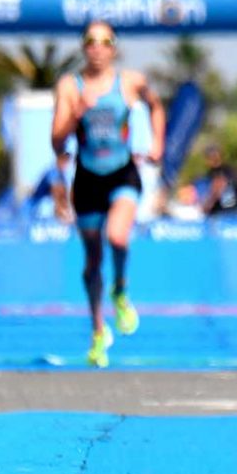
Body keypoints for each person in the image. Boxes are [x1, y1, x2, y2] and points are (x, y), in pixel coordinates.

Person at [50, 21, 165, 368]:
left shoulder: (130, 82)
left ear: (114, 48)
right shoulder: (70, 86)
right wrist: (76, 115)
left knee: (118, 236)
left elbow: (156, 106)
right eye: (90, 42)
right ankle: (99, 331)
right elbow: (56, 141)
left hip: (122, 173)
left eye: (104, 42)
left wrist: (158, 142)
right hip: (87, 179)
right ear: (83, 48)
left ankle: (121, 290)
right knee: (92, 262)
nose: (97, 48)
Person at [199, 145, 237, 216]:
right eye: (210, 157)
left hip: (229, 212)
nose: (213, 159)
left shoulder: (228, 172)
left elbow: (219, 189)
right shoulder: (209, 175)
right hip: (221, 213)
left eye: (214, 156)